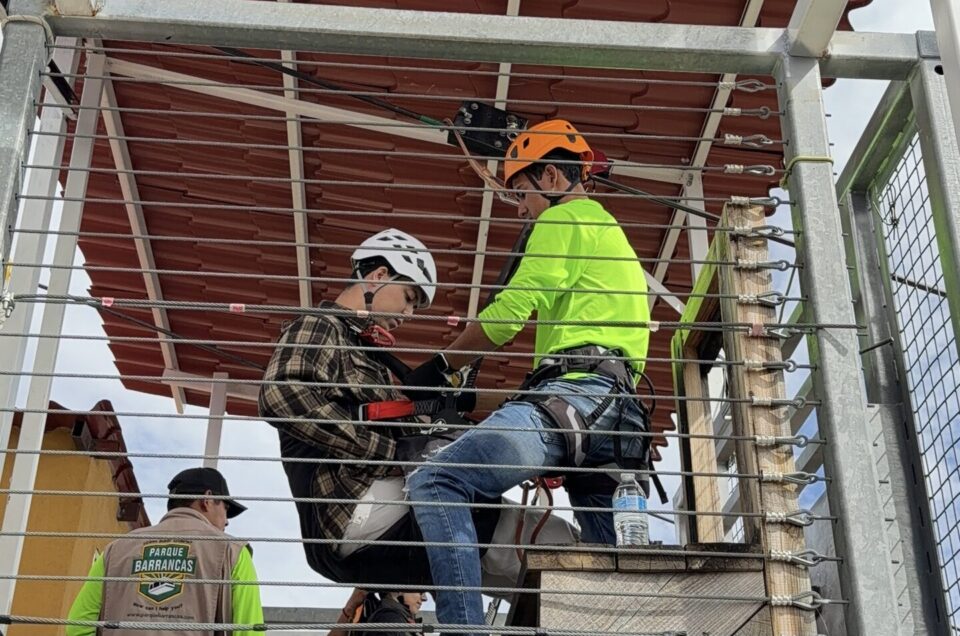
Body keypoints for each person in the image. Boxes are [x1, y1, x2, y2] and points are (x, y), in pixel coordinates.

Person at [404, 119, 653, 629]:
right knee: (615, 576)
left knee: (436, 480)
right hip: (619, 418)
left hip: (576, 397)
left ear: (552, 179)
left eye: (521, 192)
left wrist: (440, 365)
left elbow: (511, 313)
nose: (520, 208)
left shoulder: (563, 220)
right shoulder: (609, 234)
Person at [258, 229, 577, 588]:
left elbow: (413, 433)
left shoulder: (372, 360)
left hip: (372, 518)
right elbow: (283, 395)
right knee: (555, 545)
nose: (408, 313)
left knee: (529, 580)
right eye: (409, 297)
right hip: (357, 510)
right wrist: (389, 452)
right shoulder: (322, 325)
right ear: (379, 276)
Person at [66, 467, 263, 636]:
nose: (226, 521)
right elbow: (249, 630)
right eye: (226, 509)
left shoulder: (115, 551)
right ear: (208, 499)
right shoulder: (233, 552)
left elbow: (78, 626)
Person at [330, 588, 426, 636]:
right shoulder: (389, 619)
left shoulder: (400, 619)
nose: (424, 598)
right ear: (399, 589)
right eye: (420, 592)